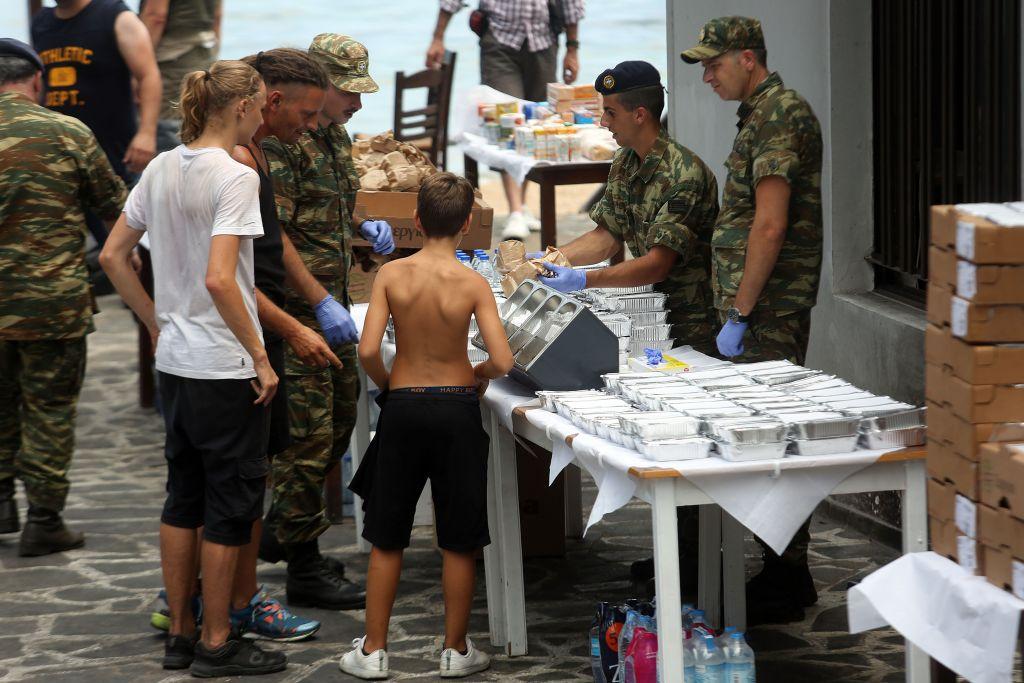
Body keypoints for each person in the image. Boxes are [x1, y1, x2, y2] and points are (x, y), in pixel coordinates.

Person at [99, 59, 287, 676]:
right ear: (241, 107)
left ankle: (180, 633)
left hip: (176, 362)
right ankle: (216, 641)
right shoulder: (235, 176)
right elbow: (221, 279)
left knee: (183, 498)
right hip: (223, 365)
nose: (262, 118)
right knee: (230, 504)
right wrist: (259, 355)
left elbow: (113, 256)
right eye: (260, 104)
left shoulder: (159, 168)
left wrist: (155, 322)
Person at [341, 172, 514, 680]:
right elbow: (503, 360)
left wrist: (390, 385)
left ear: (416, 220)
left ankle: (374, 651)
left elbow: (367, 349)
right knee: (458, 537)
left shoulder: (391, 275)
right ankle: (455, 650)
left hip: (404, 406)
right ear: (466, 223)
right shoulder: (473, 282)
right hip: (457, 408)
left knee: (387, 534)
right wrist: (478, 373)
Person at [681, 16, 824, 623]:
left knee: (773, 439)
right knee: (758, 436)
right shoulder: (758, 114)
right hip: (755, 308)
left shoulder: (778, 114)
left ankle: (787, 575)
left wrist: (740, 311)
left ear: (747, 58)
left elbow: (769, 223)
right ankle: (777, 568)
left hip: (767, 311)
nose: (707, 77)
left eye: (714, 64)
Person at [259, 34, 393, 611]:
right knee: (307, 438)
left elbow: (331, 202)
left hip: (331, 299)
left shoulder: (334, 135)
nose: (358, 104)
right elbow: (274, 233)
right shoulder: (282, 141)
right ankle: (304, 566)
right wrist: (317, 301)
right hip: (297, 310)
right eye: (348, 93)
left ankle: (280, 530)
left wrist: (363, 224)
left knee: (340, 421)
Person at [0, 38, 127, 557]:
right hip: (53, 303)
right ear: (37, 81)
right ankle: (44, 519)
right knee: (49, 408)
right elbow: (117, 207)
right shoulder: (68, 131)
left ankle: (1, 503)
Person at [537, 61, 720, 359]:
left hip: (692, 323)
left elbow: (658, 264)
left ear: (639, 115)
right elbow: (608, 235)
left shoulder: (683, 175)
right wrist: (551, 259)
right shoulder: (625, 161)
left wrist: (584, 279)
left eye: (611, 112)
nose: (603, 122)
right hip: (649, 311)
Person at [426, 0, 586, 240]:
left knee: (535, 122)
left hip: (544, 41)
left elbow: (571, 5)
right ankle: (515, 210)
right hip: (499, 42)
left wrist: (572, 50)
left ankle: (521, 204)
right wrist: (438, 38)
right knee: (505, 124)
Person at [139, 0, 222, 153]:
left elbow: (156, 16)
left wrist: (139, 69)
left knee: (168, 124)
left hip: (171, 60)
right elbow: (217, 16)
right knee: (197, 121)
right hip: (204, 54)